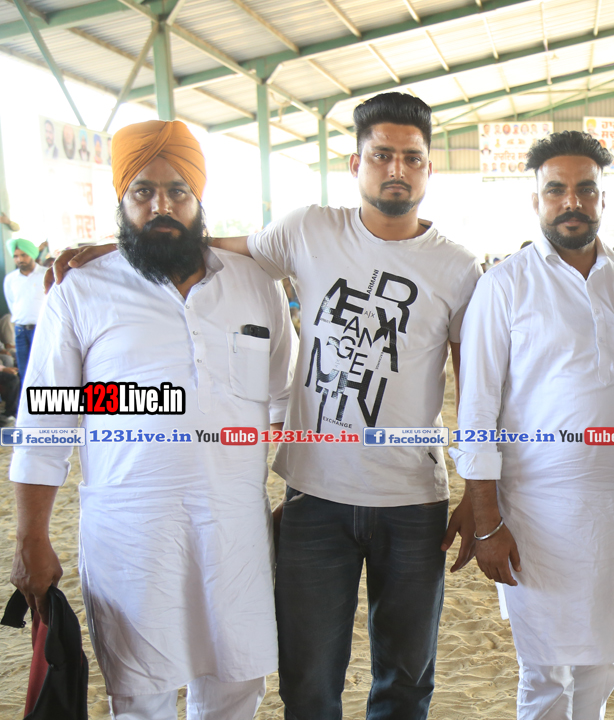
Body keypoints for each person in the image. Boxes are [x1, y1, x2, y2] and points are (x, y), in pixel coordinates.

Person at [9, 119, 296, 720]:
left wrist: (289, 496)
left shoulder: (255, 285)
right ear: (121, 200)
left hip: (234, 532)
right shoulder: (81, 290)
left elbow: (286, 401)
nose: (161, 205)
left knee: (236, 687)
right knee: (141, 697)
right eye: (143, 191)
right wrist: (31, 536)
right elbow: (45, 426)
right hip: (131, 536)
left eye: (177, 191)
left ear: (199, 199)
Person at [223, 92, 482, 720]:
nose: (397, 169)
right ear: (355, 163)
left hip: (413, 501)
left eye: (412, 158)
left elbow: (473, 387)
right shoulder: (309, 229)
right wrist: (115, 252)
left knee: (407, 678)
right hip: (316, 496)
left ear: (429, 168)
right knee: (308, 679)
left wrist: (479, 490)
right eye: (382, 155)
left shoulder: (458, 267)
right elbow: (218, 251)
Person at [451, 130, 614, 720]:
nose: (572, 202)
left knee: (602, 662)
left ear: (602, 199)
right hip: (534, 511)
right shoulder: (504, 284)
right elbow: (477, 410)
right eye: (556, 190)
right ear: (536, 200)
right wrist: (487, 521)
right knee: (544, 670)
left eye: (585, 189)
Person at [4, 237, 46, 383]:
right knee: (24, 371)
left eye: (23, 255)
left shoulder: (46, 274)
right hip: (20, 331)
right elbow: (12, 304)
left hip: (42, 330)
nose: (20, 259)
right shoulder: (10, 279)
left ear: (32, 254)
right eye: (16, 256)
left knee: (43, 369)